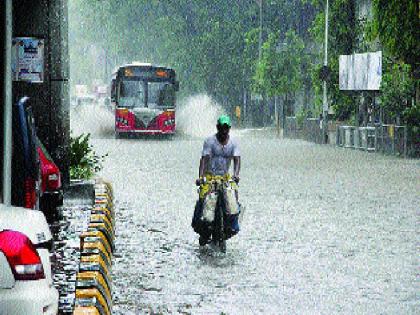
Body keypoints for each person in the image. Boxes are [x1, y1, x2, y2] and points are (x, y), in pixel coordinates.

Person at [192, 115, 241, 245]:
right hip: (210, 177)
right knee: (204, 198)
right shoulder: (209, 142)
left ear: (229, 128)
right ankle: (202, 226)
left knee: (234, 197)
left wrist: (236, 175)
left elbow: (237, 160)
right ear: (217, 127)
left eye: (226, 127)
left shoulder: (234, 143)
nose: (224, 130)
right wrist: (201, 177)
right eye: (221, 127)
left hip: (225, 177)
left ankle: (231, 226)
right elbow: (204, 159)